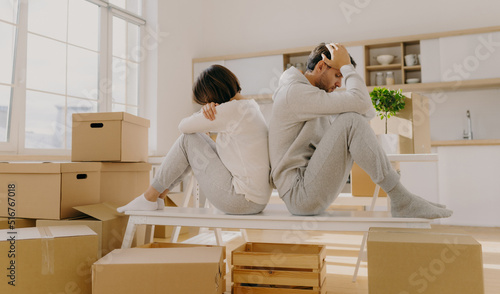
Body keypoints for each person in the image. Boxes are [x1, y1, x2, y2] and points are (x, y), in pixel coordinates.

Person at [268, 42, 453, 219]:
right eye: (338, 75)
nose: (340, 84)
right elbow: (360, 107)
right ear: (321, 66)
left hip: (308, 187)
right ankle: (402, 198)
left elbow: (366, 111)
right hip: (299, 194)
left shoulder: (313, 96)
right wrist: (348, 67)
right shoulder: (294, 93)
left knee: (352, 118)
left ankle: (403, 198)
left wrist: (346, 68)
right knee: (350, 120)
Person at [118, 65, 272, 215]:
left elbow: (183, 127)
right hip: (255, 200)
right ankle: (158, 196)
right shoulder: (250, 107)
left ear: (214, 94)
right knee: (198, 141)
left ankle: (149, 196)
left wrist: (202, 112)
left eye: (206, 101)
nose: (207, 105)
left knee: (188, 139)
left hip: (241, 200)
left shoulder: (234, 109)